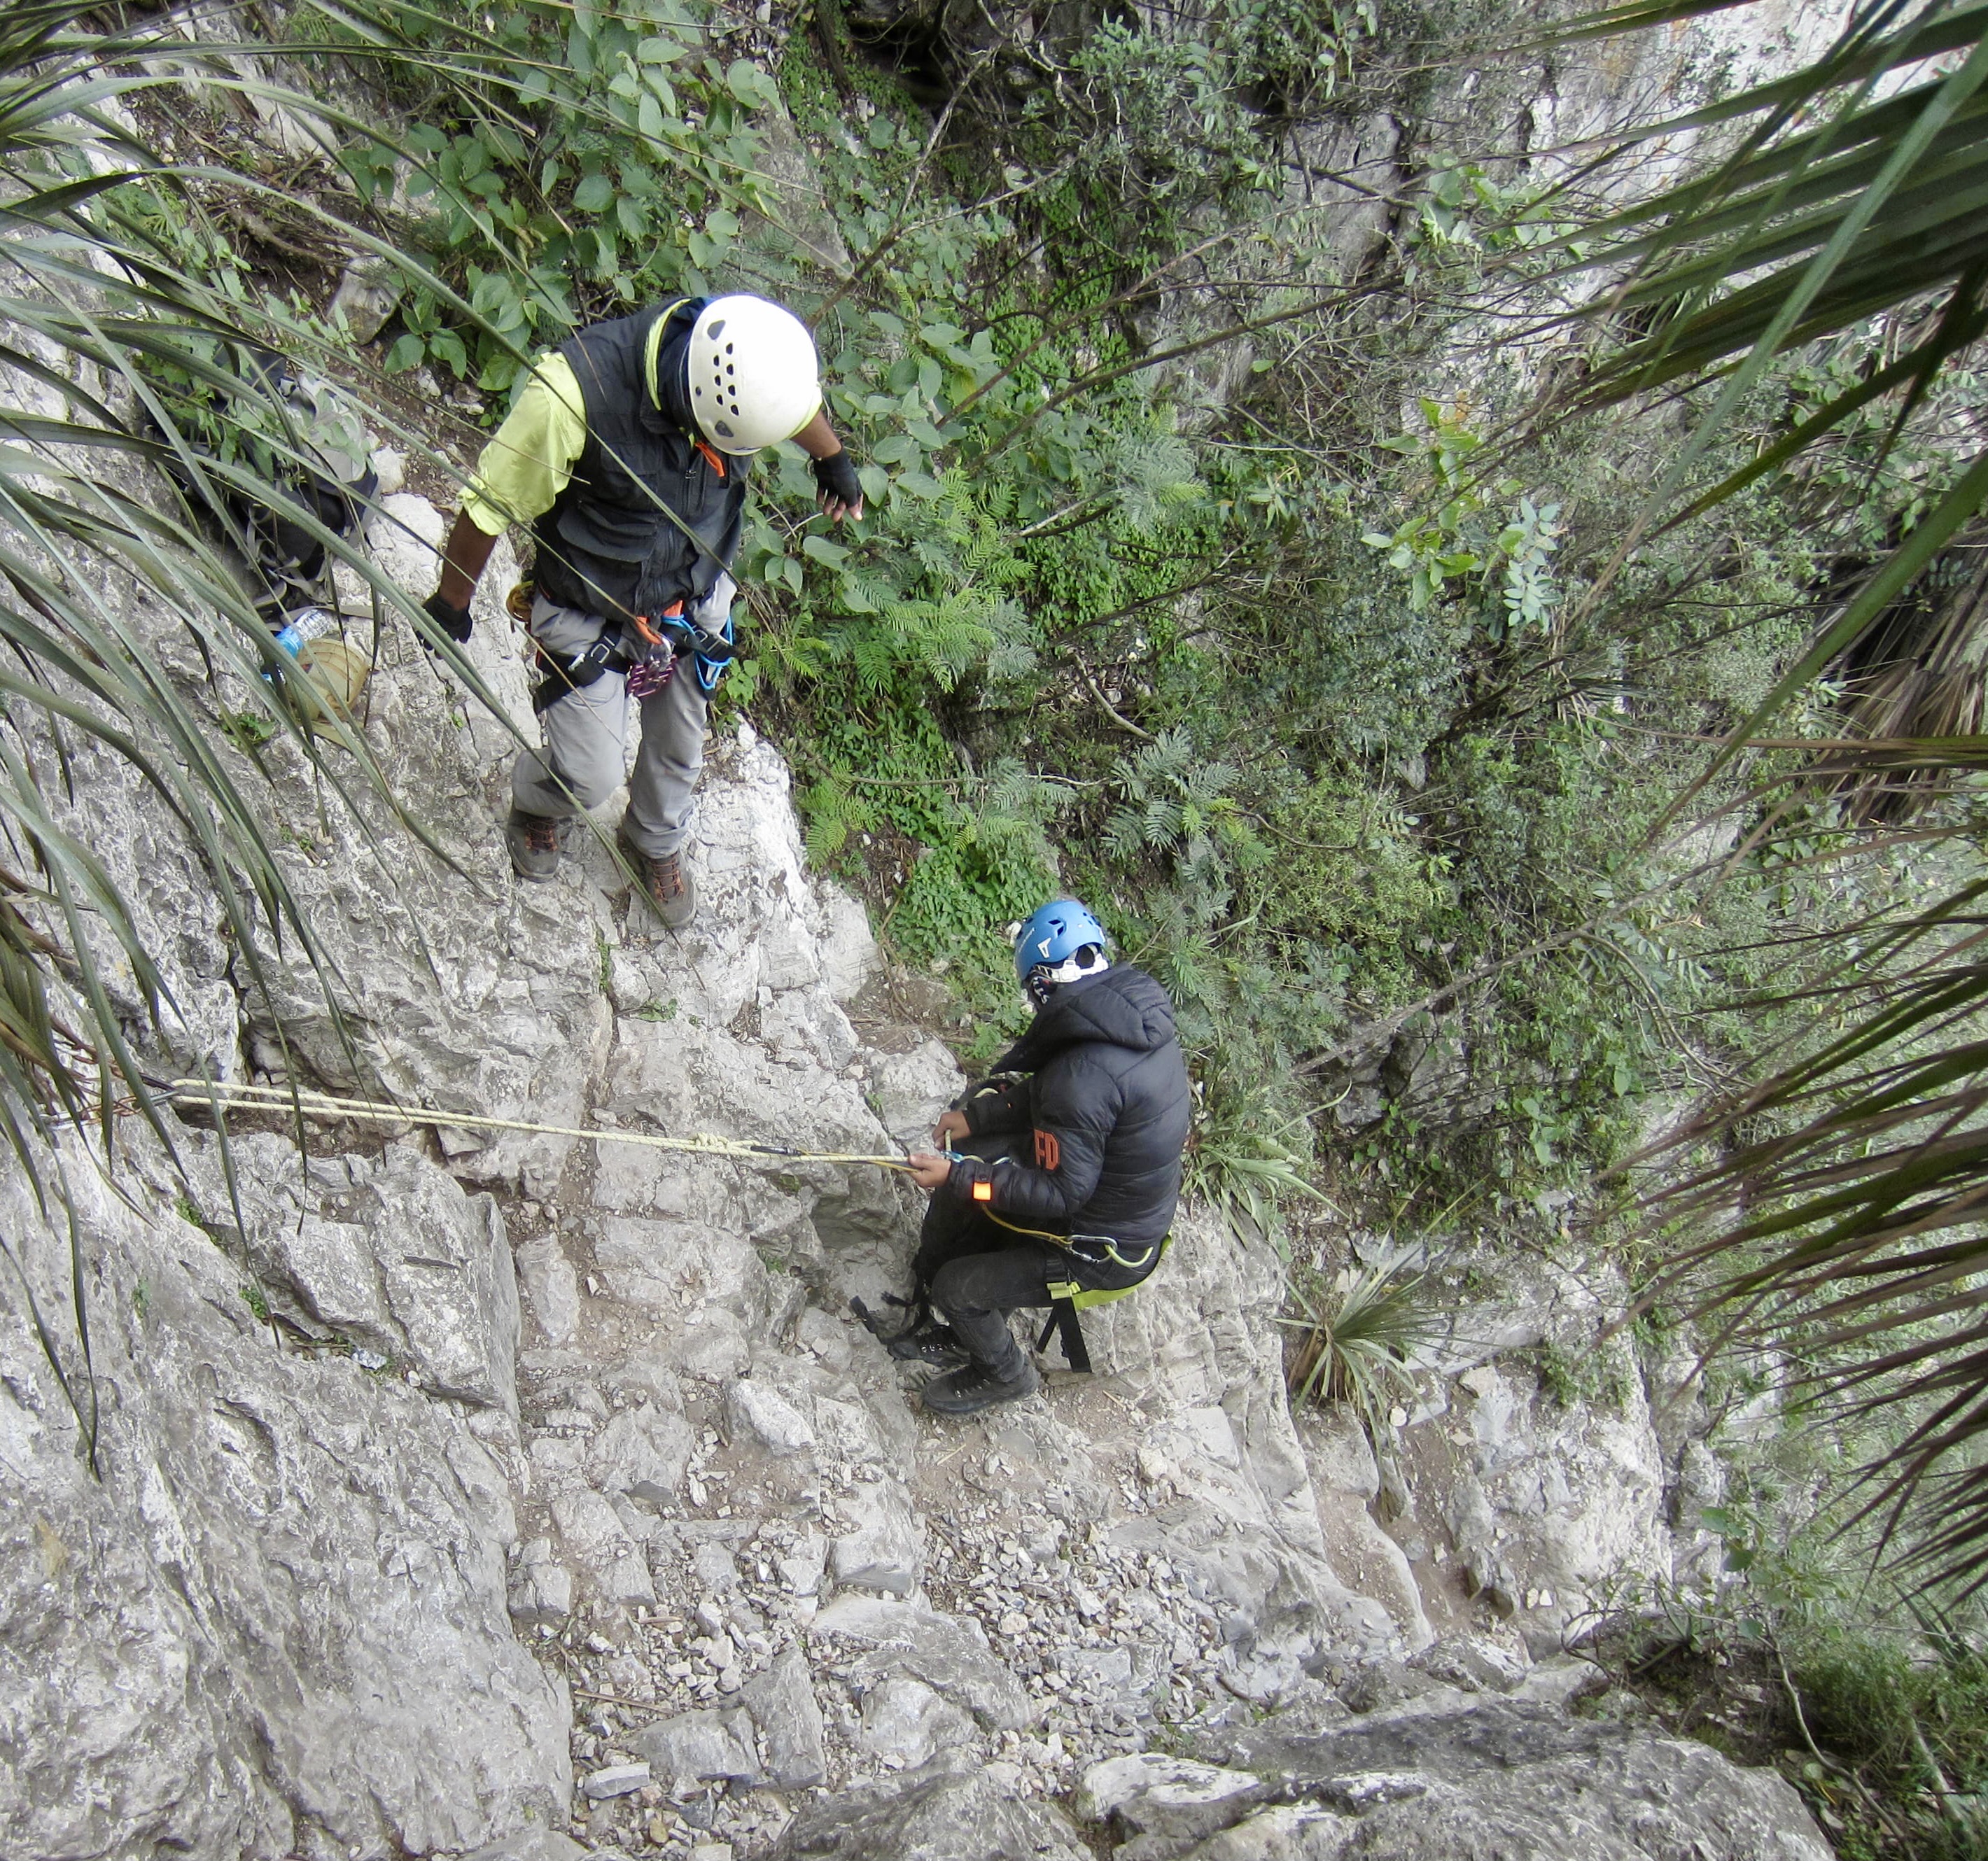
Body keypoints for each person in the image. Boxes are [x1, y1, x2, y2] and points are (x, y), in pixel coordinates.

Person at [419, 293, 864, 927]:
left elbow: (785, 396)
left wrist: (830, 455)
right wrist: (451, 603)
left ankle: (654, 836)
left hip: (689, 595)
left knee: (681, 743)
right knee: (589, 773)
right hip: (588, 602)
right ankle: (542, 801)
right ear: (703, 407)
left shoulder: (746, 352)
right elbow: (490, 503)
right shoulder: (573, 395)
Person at [892, 899, 1191, 1416]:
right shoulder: (1128, 1019)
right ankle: (970, 1333)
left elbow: (1060, 1190)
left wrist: (958, 1176)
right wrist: (978, 1119)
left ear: (1042, 984)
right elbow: (1056, 1094)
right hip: (1122, 1211)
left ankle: (1004, 1374)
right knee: (986, 1193)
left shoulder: (1085, 1071)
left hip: (1099, 1251)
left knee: (956, 1287)